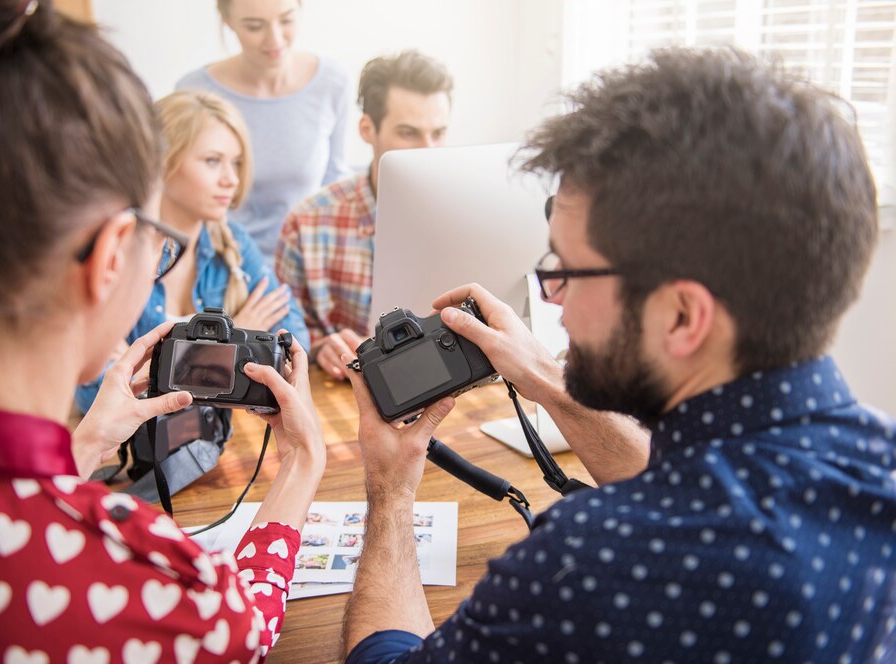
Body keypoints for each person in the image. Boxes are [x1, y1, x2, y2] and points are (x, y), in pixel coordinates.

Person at [341, 48, 895, 663]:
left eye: (567, 272)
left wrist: (390, 492)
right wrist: (552, 382)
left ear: (682, 316)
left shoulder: (592, 563)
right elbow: (687, 490)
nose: (552, 301)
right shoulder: (879, 461)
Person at [0, 2, 325, 661]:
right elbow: (240, 630)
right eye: (159, 244)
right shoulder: (122, 565)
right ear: (111, 256)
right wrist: (299, 467)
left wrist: (88, 442)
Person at [74, 89, 309, 413]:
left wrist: (168, 369)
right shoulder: (120, 253)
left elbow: (295, 343)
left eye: (237, 163)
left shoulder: (234, 241)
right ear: (163, 163)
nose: (232, 180)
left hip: (219, 441)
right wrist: (230, 350)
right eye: (213, 161)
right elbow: (94, 396)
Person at [276, 50, 453, 379]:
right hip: (354, 391)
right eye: (408, 133)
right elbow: (283, 333)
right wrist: (318, 346)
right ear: (367, 129)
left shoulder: (465, 214)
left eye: (438, 133)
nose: (428, 150)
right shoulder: (308, 224)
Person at [177, 0, 351, 260]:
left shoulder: (332, 84)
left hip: (307, 257)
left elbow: (336, 183)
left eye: (286, 20)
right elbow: (182, 195)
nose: (275, 39)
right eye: (255, 26)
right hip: (224, 258)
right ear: (228, 21)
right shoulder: (195, 93)